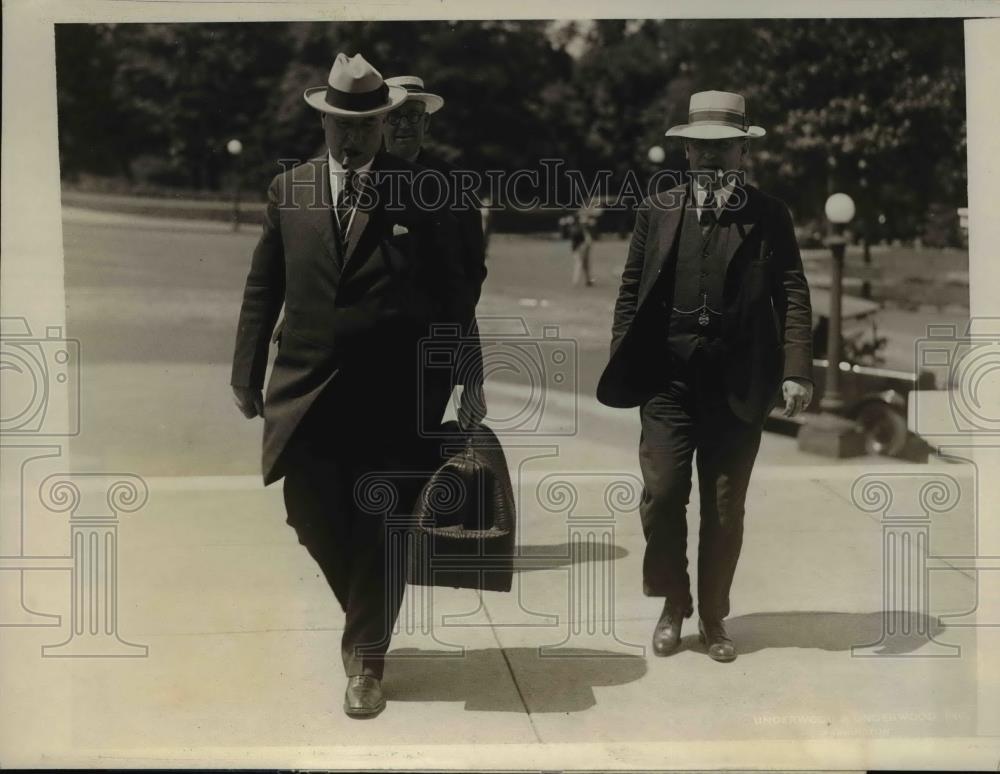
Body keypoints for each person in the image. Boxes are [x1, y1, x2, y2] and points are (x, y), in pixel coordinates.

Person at [230, 53, 475, 718]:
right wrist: (246, 370)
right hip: (306, 390)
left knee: (383, 523)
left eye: (365, 123)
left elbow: (455, 294)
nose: (352, 135)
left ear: (383, 121)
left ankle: (367, 660)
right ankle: (366, 622)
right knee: (307, 512)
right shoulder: (292, 191)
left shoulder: (422, 193)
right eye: (340, 122)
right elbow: (264, 286)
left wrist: (455, 381)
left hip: (395, 395)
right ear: (325, 121)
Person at [596, 90, 814, 663]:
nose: (713, 158)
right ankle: (674, 603)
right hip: (667, 383)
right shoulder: (658, 208)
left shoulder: (770, 216)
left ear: (744, 152)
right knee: (663, 495)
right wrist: (628, 354)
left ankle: (714, 615)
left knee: (723, 508)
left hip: (738, 384)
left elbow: (792, 293)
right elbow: (629, 292)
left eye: (726, 147)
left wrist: (795, 371)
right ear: (686, 151)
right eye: (702, 147)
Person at [382, 74, 487, 430]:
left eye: (413, 116)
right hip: (361, 357)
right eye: (394, 116)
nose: (404, 126)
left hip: (430, 362)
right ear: (379, 120)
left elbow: (467, 285)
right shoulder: (355, 179)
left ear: (427, 122)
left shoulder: (455, 185)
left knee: (412, 466)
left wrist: (471, 374)